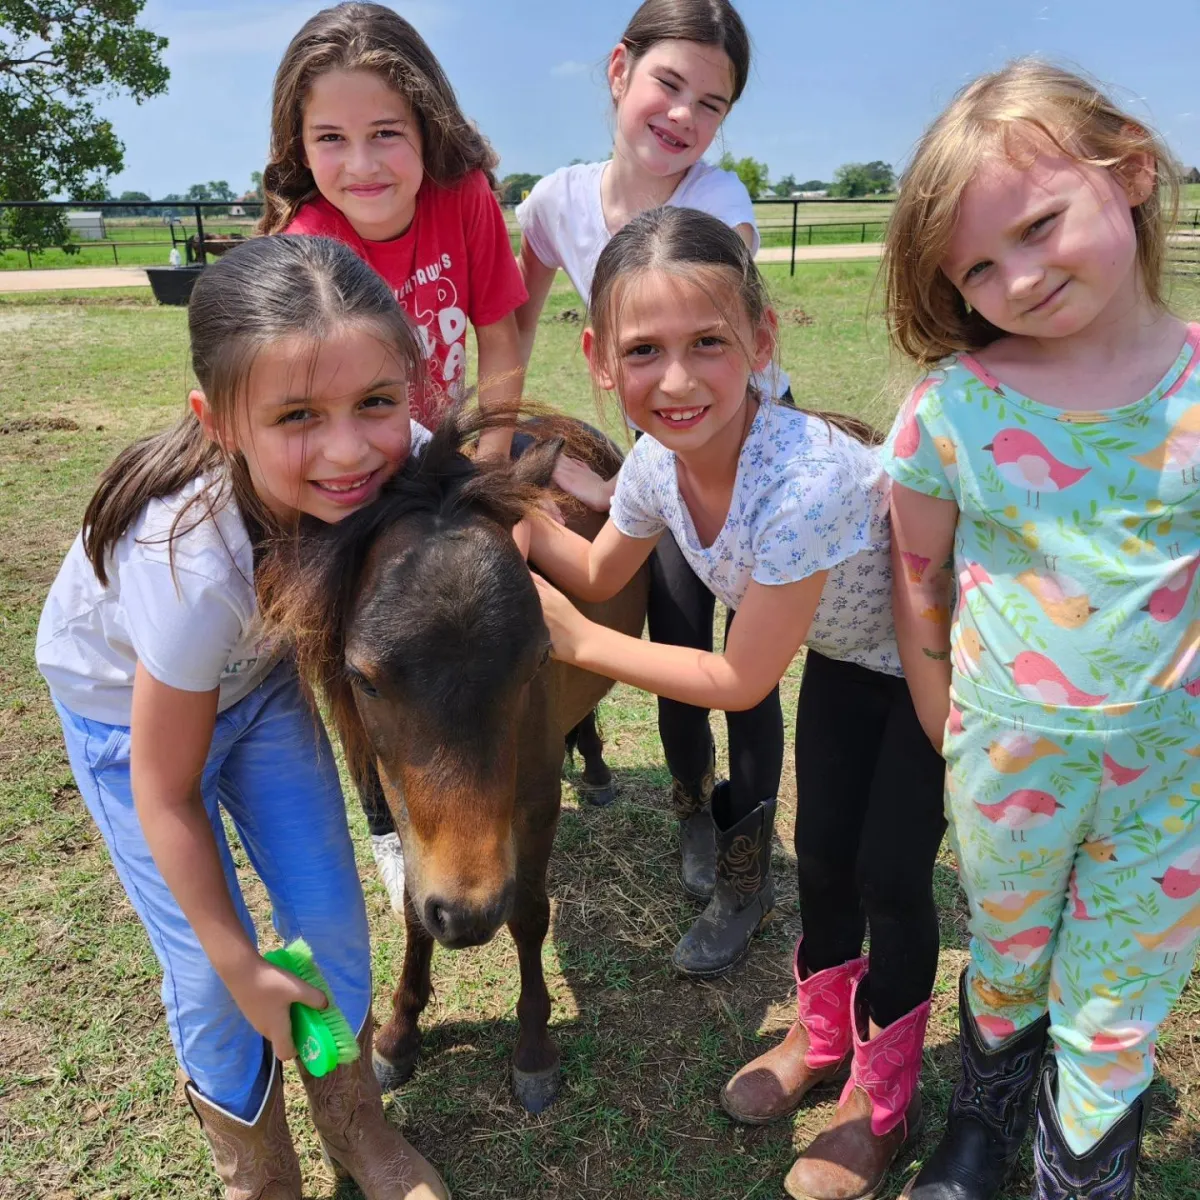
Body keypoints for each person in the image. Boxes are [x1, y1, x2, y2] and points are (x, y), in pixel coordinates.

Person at [529, 206, 946, 1200]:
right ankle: (820, 1039)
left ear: (761, 341)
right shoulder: (651, 465)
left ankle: (882, 1101)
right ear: (598, 358)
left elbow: (742, 681)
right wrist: (513, 529)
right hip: (852, 660)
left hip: (935, 662)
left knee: (891, 874)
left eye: (707, 343)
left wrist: (587, 644)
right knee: (829, 855)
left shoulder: (801, 481)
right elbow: (591, 561)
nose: (675, 381)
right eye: (643, 351)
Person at [35, 236, 448, 1200]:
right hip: (124, 723)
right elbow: (164, 792)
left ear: (410, 389)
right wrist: (240, 960)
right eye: (298, 416)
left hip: (256, 690)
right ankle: (255, 1175)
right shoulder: (186, 563)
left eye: (375, 404)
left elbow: (505, 510)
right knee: (215, 981)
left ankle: (359, 1131)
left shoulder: (404, 454)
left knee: (334, 929)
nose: (350, 451)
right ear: (219, 421)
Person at [881, 59, 1199, 1200]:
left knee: (1120, 988)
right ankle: (983, 1115)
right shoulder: (956, 408)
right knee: (1008, 954)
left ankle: (1082, 1167)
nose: (1016, 276)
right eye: (977, 265)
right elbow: (919, 570)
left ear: (1129, 168)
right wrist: (938, 707)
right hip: (1007, 759)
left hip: (1169, 771)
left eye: (1039, 225)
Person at [515, 0, 794, 950]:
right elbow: (513, 318)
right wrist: (500, 445)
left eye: (711, 104)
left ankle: (748, 872)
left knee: (748, 679)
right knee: (678, 647)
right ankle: (690, 810)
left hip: (744, 454)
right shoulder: (554, 200)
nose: (684, 115)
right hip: (662, 460)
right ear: (618, 71)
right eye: (669, 84)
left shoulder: (721, 206)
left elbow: (727, 369)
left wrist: (631, 474)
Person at [258, 1, 529, 904]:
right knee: (341, 644)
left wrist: (489, 465)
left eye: (387, 133)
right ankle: (383, 812)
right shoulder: (305, 247)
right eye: (331, 137)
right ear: (298, 144)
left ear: (428, 128)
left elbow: (502, 338)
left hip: (453, 456)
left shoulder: (466, 200)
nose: (363, 164)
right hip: (352, 474)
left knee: (576, 508)